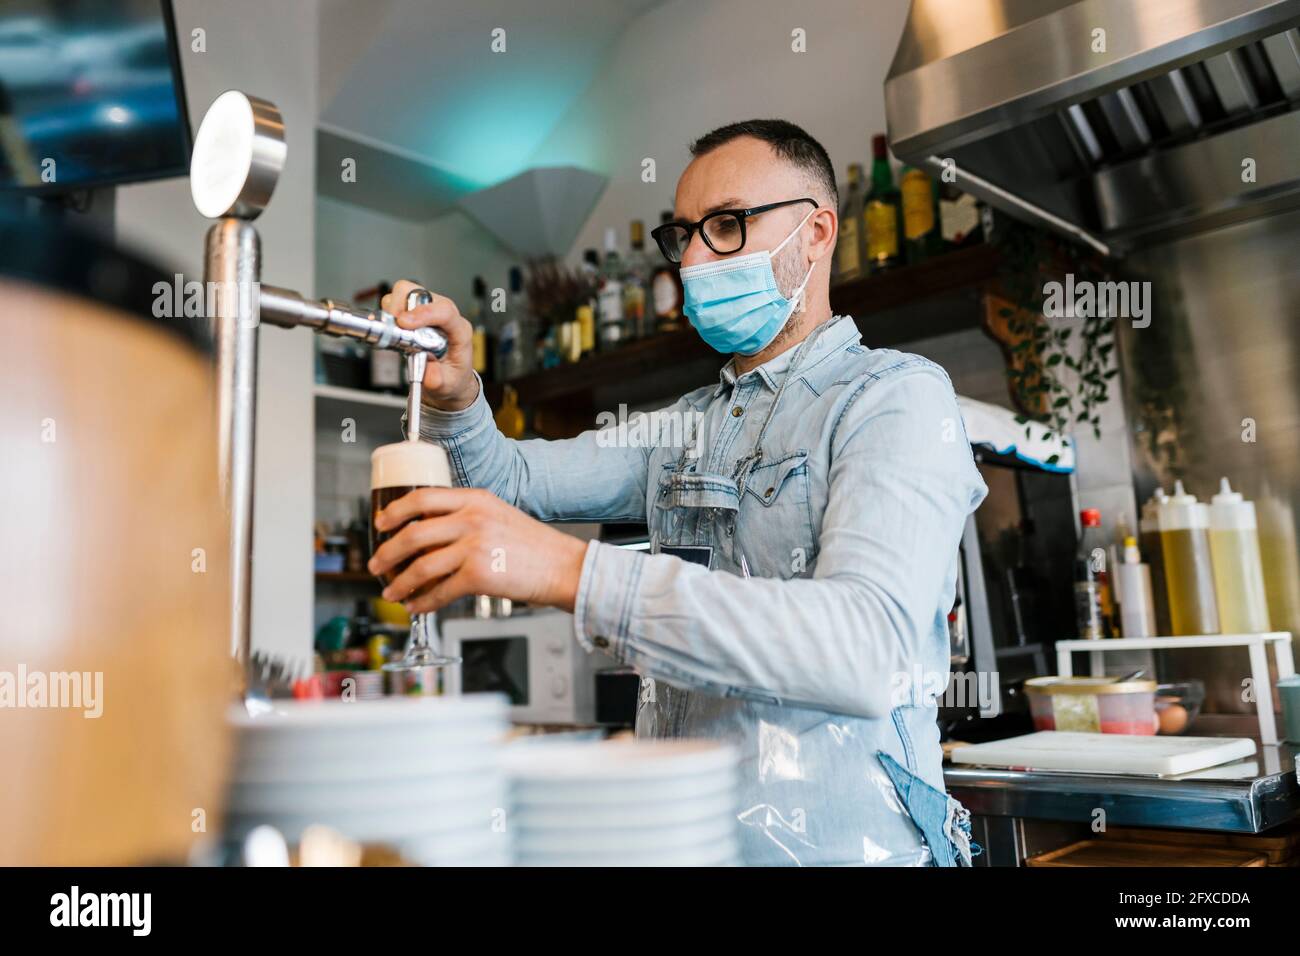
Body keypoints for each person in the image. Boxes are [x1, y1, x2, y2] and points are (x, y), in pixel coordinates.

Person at [370, 119, 988, 866]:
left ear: (817, 233)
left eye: (725, 227)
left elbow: (864, 650)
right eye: (684, 235)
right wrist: (456, 390)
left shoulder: (897, 398)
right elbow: (507, 482)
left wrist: (570, 572)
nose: (693, 259)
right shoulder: (679, 429)